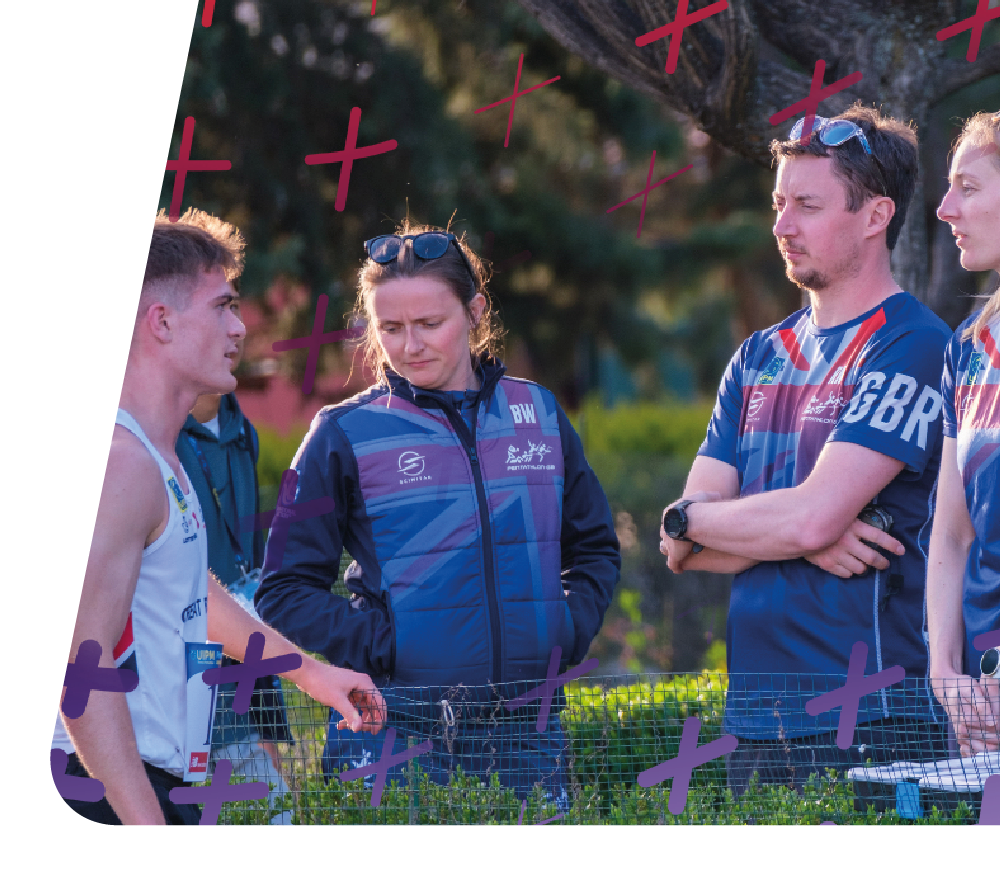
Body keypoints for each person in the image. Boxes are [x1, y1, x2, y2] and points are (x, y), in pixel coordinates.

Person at [254, 222, 621, 806]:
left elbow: (596, 548)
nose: (410, 345)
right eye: (390, 328)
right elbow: (284, 590)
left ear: (475, 312)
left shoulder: (539, 412)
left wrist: (565, 630)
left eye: (430, 324)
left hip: (528, 734)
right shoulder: (341, 433)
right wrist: (387, 645)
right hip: (391, 736)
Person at [53, 208, 384, 831]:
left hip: (144, 786)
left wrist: (312, 674)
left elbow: (194, 596)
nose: (239, 327)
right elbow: (84, 673)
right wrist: (145, 823)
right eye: (223, 306)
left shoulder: (161, 457)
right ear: (161, 322)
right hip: (102, 790)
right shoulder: (126, 465)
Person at [659, 105, 952, 798]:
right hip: (756, 720)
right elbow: (682, 549)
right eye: (778, 203)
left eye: (807, 206)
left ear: (875, 215)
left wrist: (707, 521)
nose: (781, 226)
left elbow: (799, 519)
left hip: (877, 717)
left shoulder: (911, 345)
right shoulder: (757, 355)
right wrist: (774, 531)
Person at [177, 334, 295, 825]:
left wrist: (269, 721)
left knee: (276, 809)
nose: (235, 328)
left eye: (233, 306)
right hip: (183, 673)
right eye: (217, 309)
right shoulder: (144, 438)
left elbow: (241, 570)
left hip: (246, 651)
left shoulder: (242, 429)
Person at [928, 110, 1000, 758]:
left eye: (968, 188)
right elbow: (951, 532)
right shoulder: (967, 350)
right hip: (981, 710)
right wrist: (946, 678)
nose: (946, 208)